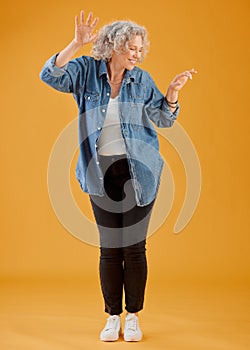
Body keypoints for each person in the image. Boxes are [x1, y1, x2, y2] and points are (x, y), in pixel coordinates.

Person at [40, 10, 197, 342]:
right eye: (132, 48)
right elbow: (50, 75)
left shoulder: (142, 80)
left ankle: (134, 316)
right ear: (113, 45)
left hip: (139, 173)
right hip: (99, 173)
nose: (138, 55)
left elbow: (164, 120)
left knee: (135, 247)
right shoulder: (84, 72)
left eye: (141, 49)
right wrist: (75, 44)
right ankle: (113, 316)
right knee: (110, 247)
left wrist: (171, 93)